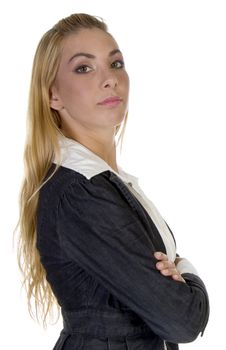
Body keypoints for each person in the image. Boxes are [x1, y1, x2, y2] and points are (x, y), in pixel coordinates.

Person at [15, 13, 209, 350]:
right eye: (84, 68)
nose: (110, 80)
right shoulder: (81, 192)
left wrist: (176, 281)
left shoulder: (105, 183)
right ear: (53, 96)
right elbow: (182, 320)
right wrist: (188, 274)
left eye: (115, 63)